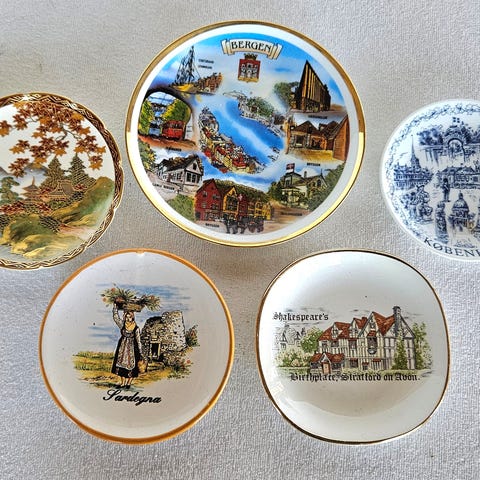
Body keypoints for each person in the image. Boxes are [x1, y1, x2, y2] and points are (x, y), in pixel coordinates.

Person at [111, 304, 144, 389]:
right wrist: (115, 308)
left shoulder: (136, 328)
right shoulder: (122, 324)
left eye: (130, 317)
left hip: (132, 348)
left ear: (133, 318)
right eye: (126, 317)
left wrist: (140, 351)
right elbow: (116, 318)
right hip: (122, 347)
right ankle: (122, 383)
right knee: (120, 365)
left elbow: (138, 340)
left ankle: (128, 383)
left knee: (132, 366)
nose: (128, 319)